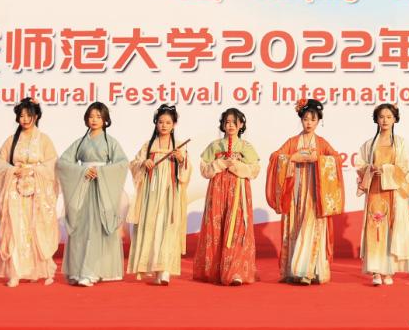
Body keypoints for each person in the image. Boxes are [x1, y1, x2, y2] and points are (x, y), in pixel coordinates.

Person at [265, 99, 345, 285]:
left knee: (310, 229)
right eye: (306, 119)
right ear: (301, 119)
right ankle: (293, 271)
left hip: (314, 195)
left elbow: (336, 159)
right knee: (294, 228)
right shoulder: (293, 142)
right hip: (294, 194)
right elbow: (275, 156)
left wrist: (319, 159)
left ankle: (306, 271)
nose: (309, 123)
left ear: (318, 121)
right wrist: (293, 157)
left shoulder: (322, 143)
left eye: (313, 119)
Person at [56, 102, 129, 287]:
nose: (94, 120)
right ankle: (76, 270)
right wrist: (82, 170)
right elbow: (63, 163)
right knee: (80, 229)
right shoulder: (80, 142)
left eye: (98, 116)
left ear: (105, 120)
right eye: (91, 116)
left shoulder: (110, 142)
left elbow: (122, 164)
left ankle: (93, 272)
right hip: (84, 189)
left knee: (98, 229)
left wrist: (101, 172)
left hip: (102, 191)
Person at [0, 97, 59, 287]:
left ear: (36, 116)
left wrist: (32, 170)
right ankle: (15, 272)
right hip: (14, 190)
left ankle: (40, 270)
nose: (25, 119)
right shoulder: (11, 140)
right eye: (21, 116)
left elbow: (53, 164)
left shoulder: (44, 140)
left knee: (37, 228)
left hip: (38, 192)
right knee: (15, 228)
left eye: (29, 115)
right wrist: (13, 170)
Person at [356, 103, 409, 286]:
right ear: (376, 119)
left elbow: (405, 167)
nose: (385, 120)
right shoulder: (369, 144)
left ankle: (389, 270)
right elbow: (360, 164)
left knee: (392, 230)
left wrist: (386, 169)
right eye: (381, 117)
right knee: (375, 228)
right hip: (375, 191)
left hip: (393, 192)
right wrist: (370, 169)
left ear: (395, 119)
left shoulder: (400, 143)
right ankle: (376, 271)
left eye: (389, 117)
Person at [193, 107, 261, 286]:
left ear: (241, 124)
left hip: (238, 190)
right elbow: (204, 170)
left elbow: (254, 170)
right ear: (222, 125)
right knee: (216, 227)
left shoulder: (246, 147)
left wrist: (236, 166)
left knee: (237, 227)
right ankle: (214, 270)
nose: (230, 125)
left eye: (234, 122)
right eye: (227, 122)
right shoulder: (215, 146)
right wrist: (221, 163)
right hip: (217, 190)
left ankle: (235, 272)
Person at [127, 104, 190, 285]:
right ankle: (154, 270)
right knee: (152, 227)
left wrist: (181, 160)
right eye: (161, 122)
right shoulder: (148, 146)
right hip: (151, 193)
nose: (164, 125)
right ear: (156, 123)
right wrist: (144, 163)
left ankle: (165, 270)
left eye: (168, 122)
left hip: (170, 192)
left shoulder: (179, 146)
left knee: (168, 227)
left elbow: (186, 171)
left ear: (174, 125)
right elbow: (134, 163)